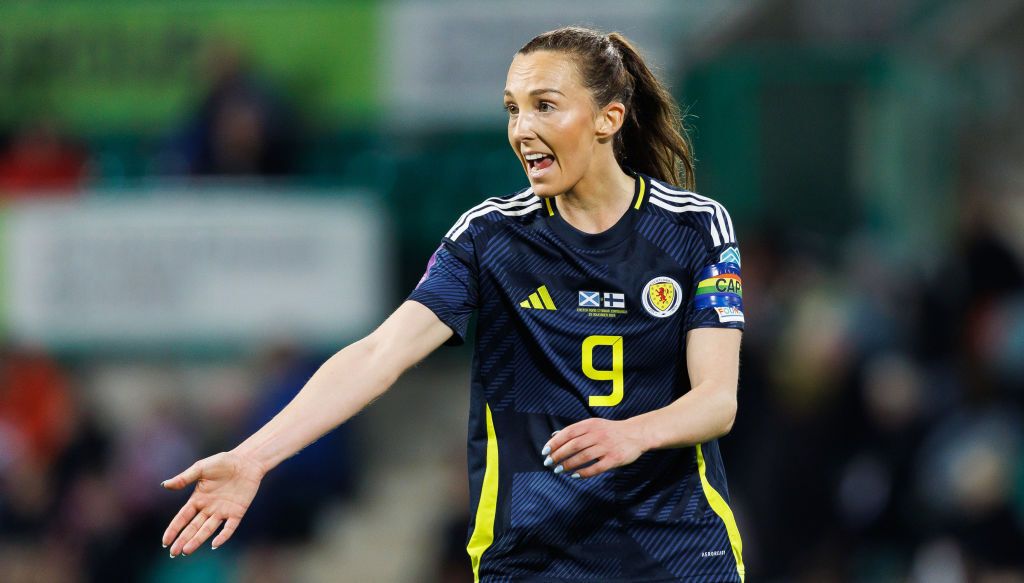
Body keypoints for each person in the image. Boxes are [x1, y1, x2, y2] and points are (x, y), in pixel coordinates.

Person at [160, 26, 747, 582]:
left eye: (545, 105)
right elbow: (379, 353)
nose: (522, 129)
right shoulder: (490, 238)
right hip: (534, 556)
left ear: (607, 118)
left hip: (680, 549)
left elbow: (717, 402)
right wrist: (254, 457)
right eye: (513, 109)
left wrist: (633, 435)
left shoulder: (694, 228)